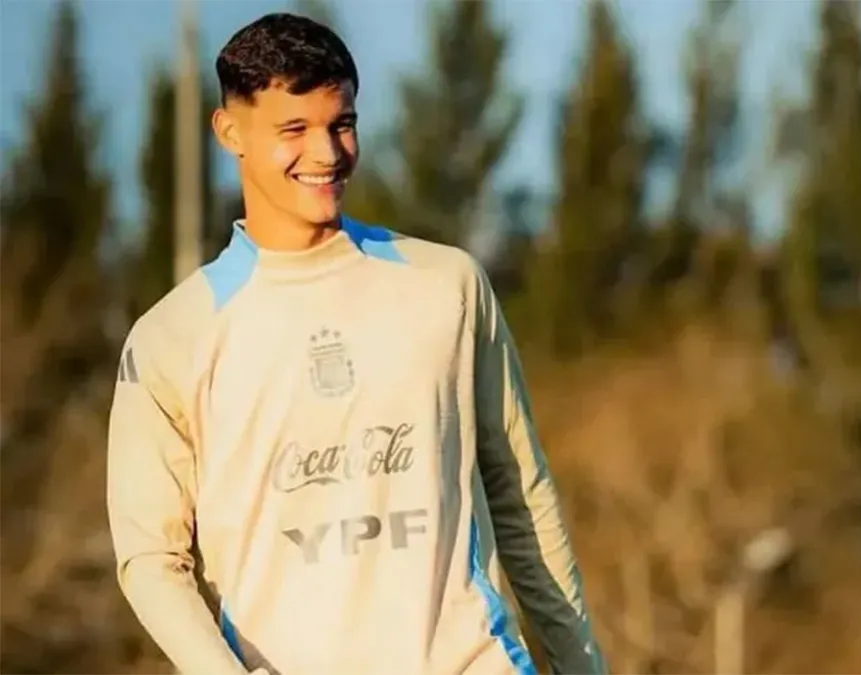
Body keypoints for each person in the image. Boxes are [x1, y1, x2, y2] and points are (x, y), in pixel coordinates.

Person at [106, 13, 606, 675]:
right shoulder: (174, 335)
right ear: (229, 132)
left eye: (341, 124)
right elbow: (151, 559)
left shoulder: (448, 285)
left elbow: (521, 493)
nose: (327, 153)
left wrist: (581, 665)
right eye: (294, 130)